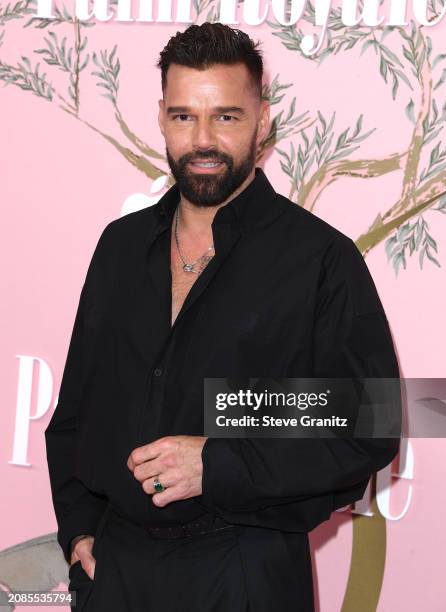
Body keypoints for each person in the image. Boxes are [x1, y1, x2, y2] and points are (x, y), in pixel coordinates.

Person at [44, 22, 401, 612]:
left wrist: (219, 462)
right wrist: (80, 528)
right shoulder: (120, 246)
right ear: (161, 118)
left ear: (263, 122)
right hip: (115, 573)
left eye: (227, 117)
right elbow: (76, 409)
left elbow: (372, 418)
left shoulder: (319, 259)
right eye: (185, 116)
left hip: (245, 571)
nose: (203, 139)